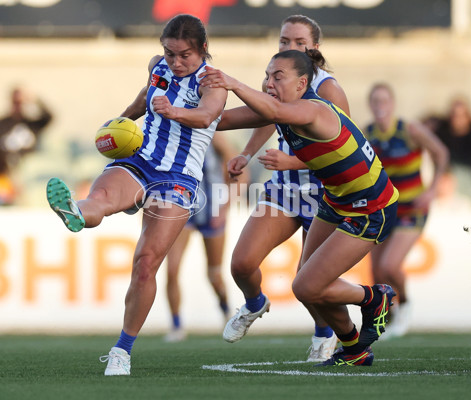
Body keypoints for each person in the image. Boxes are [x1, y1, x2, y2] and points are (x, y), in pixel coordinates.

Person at [46, 14, 227, 376]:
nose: (175, 62)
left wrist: (173, 110)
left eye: (184, 55)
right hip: (140, 160)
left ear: (203, 49)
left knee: (146, 262)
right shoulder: (157, 67)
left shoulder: (213, 81)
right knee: (98, 201)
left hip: (178, 178)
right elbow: (146, 96)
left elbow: (207, 116)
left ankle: (122, 351)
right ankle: (76, 212)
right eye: (169, 53)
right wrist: (121, 119)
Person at [200, 48, 398, 366]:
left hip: (370, 206)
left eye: (278, 77)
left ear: (302, 82)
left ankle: (375, 297)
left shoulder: (313, 109)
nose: (269, 82)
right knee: (310, 287)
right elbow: (217, 121)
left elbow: (269, 112)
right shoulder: (281, 109)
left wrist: (232, 83)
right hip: (336, 199)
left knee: (306, 286)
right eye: (266, 76)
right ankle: (355, 350)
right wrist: (173, 108)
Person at [222, 15, 349, 362]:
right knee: (241, 264)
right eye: (284, 41)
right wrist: (247, 154)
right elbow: (269, 115)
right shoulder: (277, 78)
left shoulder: (327, 89)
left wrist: (293, 162)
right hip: (284, 189)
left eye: (298, 42)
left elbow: (345, 150)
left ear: (314, 49)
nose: (290, 48)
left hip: (323, 192)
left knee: (308, 281)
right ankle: (254, 303)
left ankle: (326, 335)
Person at [365, 82, 449, 339]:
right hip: (384, 209)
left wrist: (433, 188)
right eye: (375, 101)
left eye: (384, 101)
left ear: (392, 104)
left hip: (412, 207)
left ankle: (405, 306)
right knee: (377, 272)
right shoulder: (367, 133)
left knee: (391, 265)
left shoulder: (409, 129)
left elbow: (441, 153)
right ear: (370, 105)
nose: (380, 106)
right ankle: (387, 320)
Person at [163, 133, 237, 342]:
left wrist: (225, 208)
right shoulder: (172, 135)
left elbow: (241, 174)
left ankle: (226, 313)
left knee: (214, 275)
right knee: (172, 268)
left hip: (212, 212)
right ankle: (176, 325)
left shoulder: (217, 137)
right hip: (181, 210)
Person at [0, 86, 53, 203]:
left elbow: (50, 116)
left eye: (21, 102)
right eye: (16, 102)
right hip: (3, 171)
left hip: (26, 170)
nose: (19, 105)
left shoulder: (32, 124)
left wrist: (34, 99)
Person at [433, 96, 471, 205]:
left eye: (461, 115)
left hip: (469, 179)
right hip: (446, 178)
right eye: (454, 115)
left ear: (468, 117)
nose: (457, 119)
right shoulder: (442, 134)